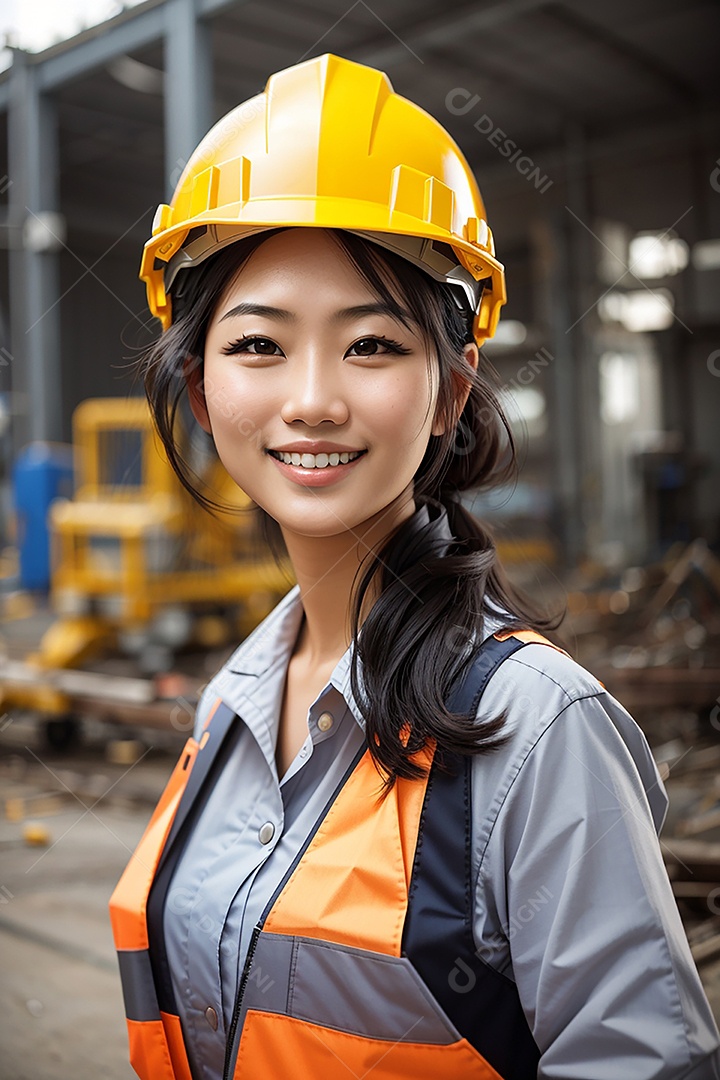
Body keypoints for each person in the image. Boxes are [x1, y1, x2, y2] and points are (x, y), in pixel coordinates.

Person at [109, 53, 720, 1080]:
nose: (311, 399)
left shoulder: (538, 730)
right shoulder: (231, 705)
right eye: (258, 345)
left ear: (451, 390)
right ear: (202, 391)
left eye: (372, 346)